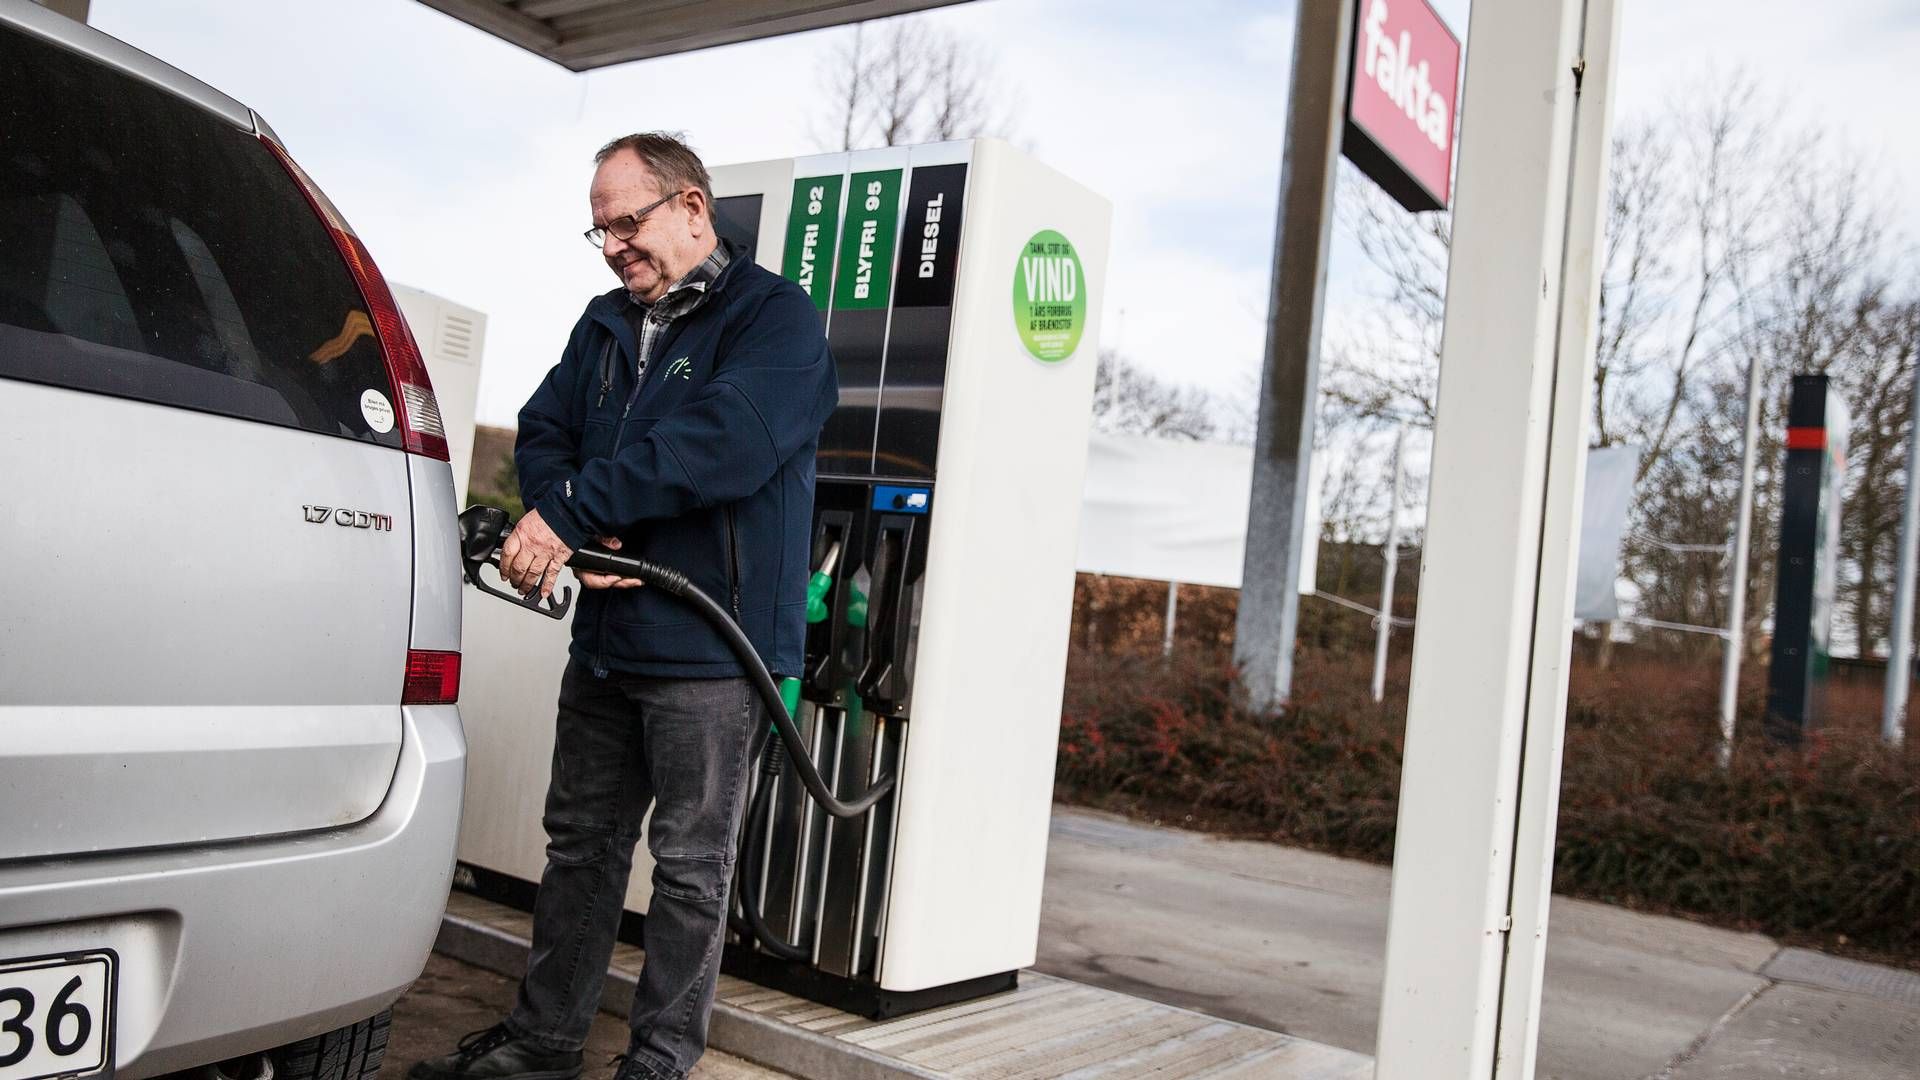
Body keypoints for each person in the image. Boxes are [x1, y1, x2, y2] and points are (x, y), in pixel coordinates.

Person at [408, 131, 837, 1080]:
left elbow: (721, 444)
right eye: (598, 231)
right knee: (582, 849)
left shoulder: (777, 321)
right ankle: (543, 1041)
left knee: (689, 872)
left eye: (627, 223)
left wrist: (570, 515)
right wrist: (573, 517)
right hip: (608, 639)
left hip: (711, 652)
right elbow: (546, 427)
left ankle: (658, 1063)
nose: (612, 247)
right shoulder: (604, 323)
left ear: (692, 207)